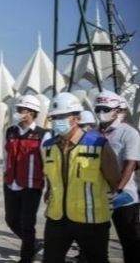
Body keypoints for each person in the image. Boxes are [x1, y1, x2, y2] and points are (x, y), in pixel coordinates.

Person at [41, 92, 121, 263]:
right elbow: (50, 177)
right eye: (54, 117)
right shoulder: (48, 147)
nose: (57, 121)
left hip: (91, 221)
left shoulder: (97, 145)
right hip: (57, 218)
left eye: (61, 116)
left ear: (76, 118)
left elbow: (114, 180)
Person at [3, 95, 49, 263]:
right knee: (11, 220)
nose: (18, 112)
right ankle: (33, 244)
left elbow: (47, 162)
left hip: (31, 185)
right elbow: (7, 155)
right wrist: (4, 177)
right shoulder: (11, 131)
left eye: (21, 110)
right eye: (17, 109)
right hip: (10, 183)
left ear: (31, 113)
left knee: (27, 224)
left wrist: (49, 187)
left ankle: (26, 258)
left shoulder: (42, 135)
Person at [95, 90, 140, 262]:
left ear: (116, 110)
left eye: (105, 108)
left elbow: (130, 164)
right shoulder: (92, 133)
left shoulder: (128, 133)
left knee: (130, 243)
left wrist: (118, 189)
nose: (101, 112)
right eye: (98, 108)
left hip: (124, 197)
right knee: (96, 242)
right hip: (98, 197)